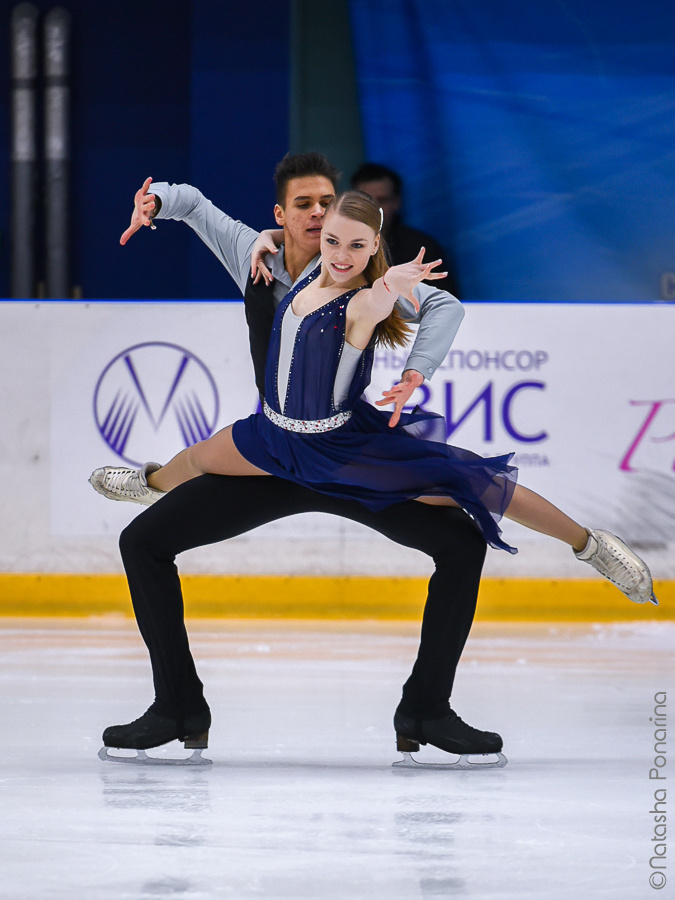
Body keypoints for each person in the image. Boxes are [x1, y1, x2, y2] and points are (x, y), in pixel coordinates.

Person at [95, 154, 503, 766]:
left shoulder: (366, 275)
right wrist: (159, 201)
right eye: (304, 205)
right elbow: (197, 208)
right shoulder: (252, 254)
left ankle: (426, 710)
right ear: (281, 215)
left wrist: (418, 368)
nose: (317, 214)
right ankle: (178, 707)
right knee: (144, 542)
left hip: (344, 458)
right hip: (274, 457)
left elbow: (442, 307)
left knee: (462, 544)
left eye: (326, 204)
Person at [94, 190, 657, 605]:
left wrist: (397, 292)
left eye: (357, 246)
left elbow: (391, 296)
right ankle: (148, 485)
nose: (342, 255)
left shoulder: (365, 300)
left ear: (374, 248)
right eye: (333, 240)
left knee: (474, 483)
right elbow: (199, 206)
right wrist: (164, 201)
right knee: (196, 458)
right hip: (271, 434)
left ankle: (592, 545)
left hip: (332, 447)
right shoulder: (300, 268)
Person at [351, 161, 460, 298]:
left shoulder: (421, 248)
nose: (374, 209)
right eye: (366, 201)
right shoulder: (337, 247)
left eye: (382, 200)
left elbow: (443, 303)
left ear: (396, 202)